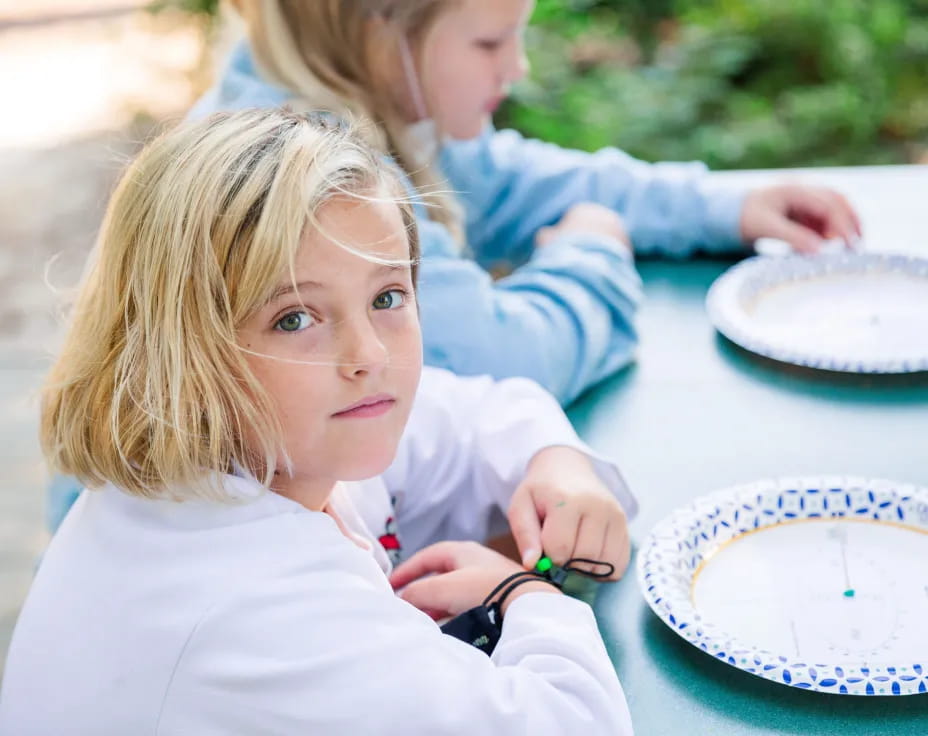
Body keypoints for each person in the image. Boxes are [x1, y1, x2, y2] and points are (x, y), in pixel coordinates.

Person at [0, 109, 635, 734]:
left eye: (388, 297)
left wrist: (557, 466)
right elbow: (579, 722)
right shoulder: (258, 606)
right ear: (185, 350)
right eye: (295, 318)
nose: (369, 355)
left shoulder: (277, 443)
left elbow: (477, 411)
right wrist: (522, 596)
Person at [191, 0, 862, 404]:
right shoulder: (308, 180)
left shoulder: (351, 97)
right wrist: (590, 254)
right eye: (489, 42)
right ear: (376, 29)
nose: (517, 69)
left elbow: (510, 183)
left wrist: (719, 206)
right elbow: (504, 362)